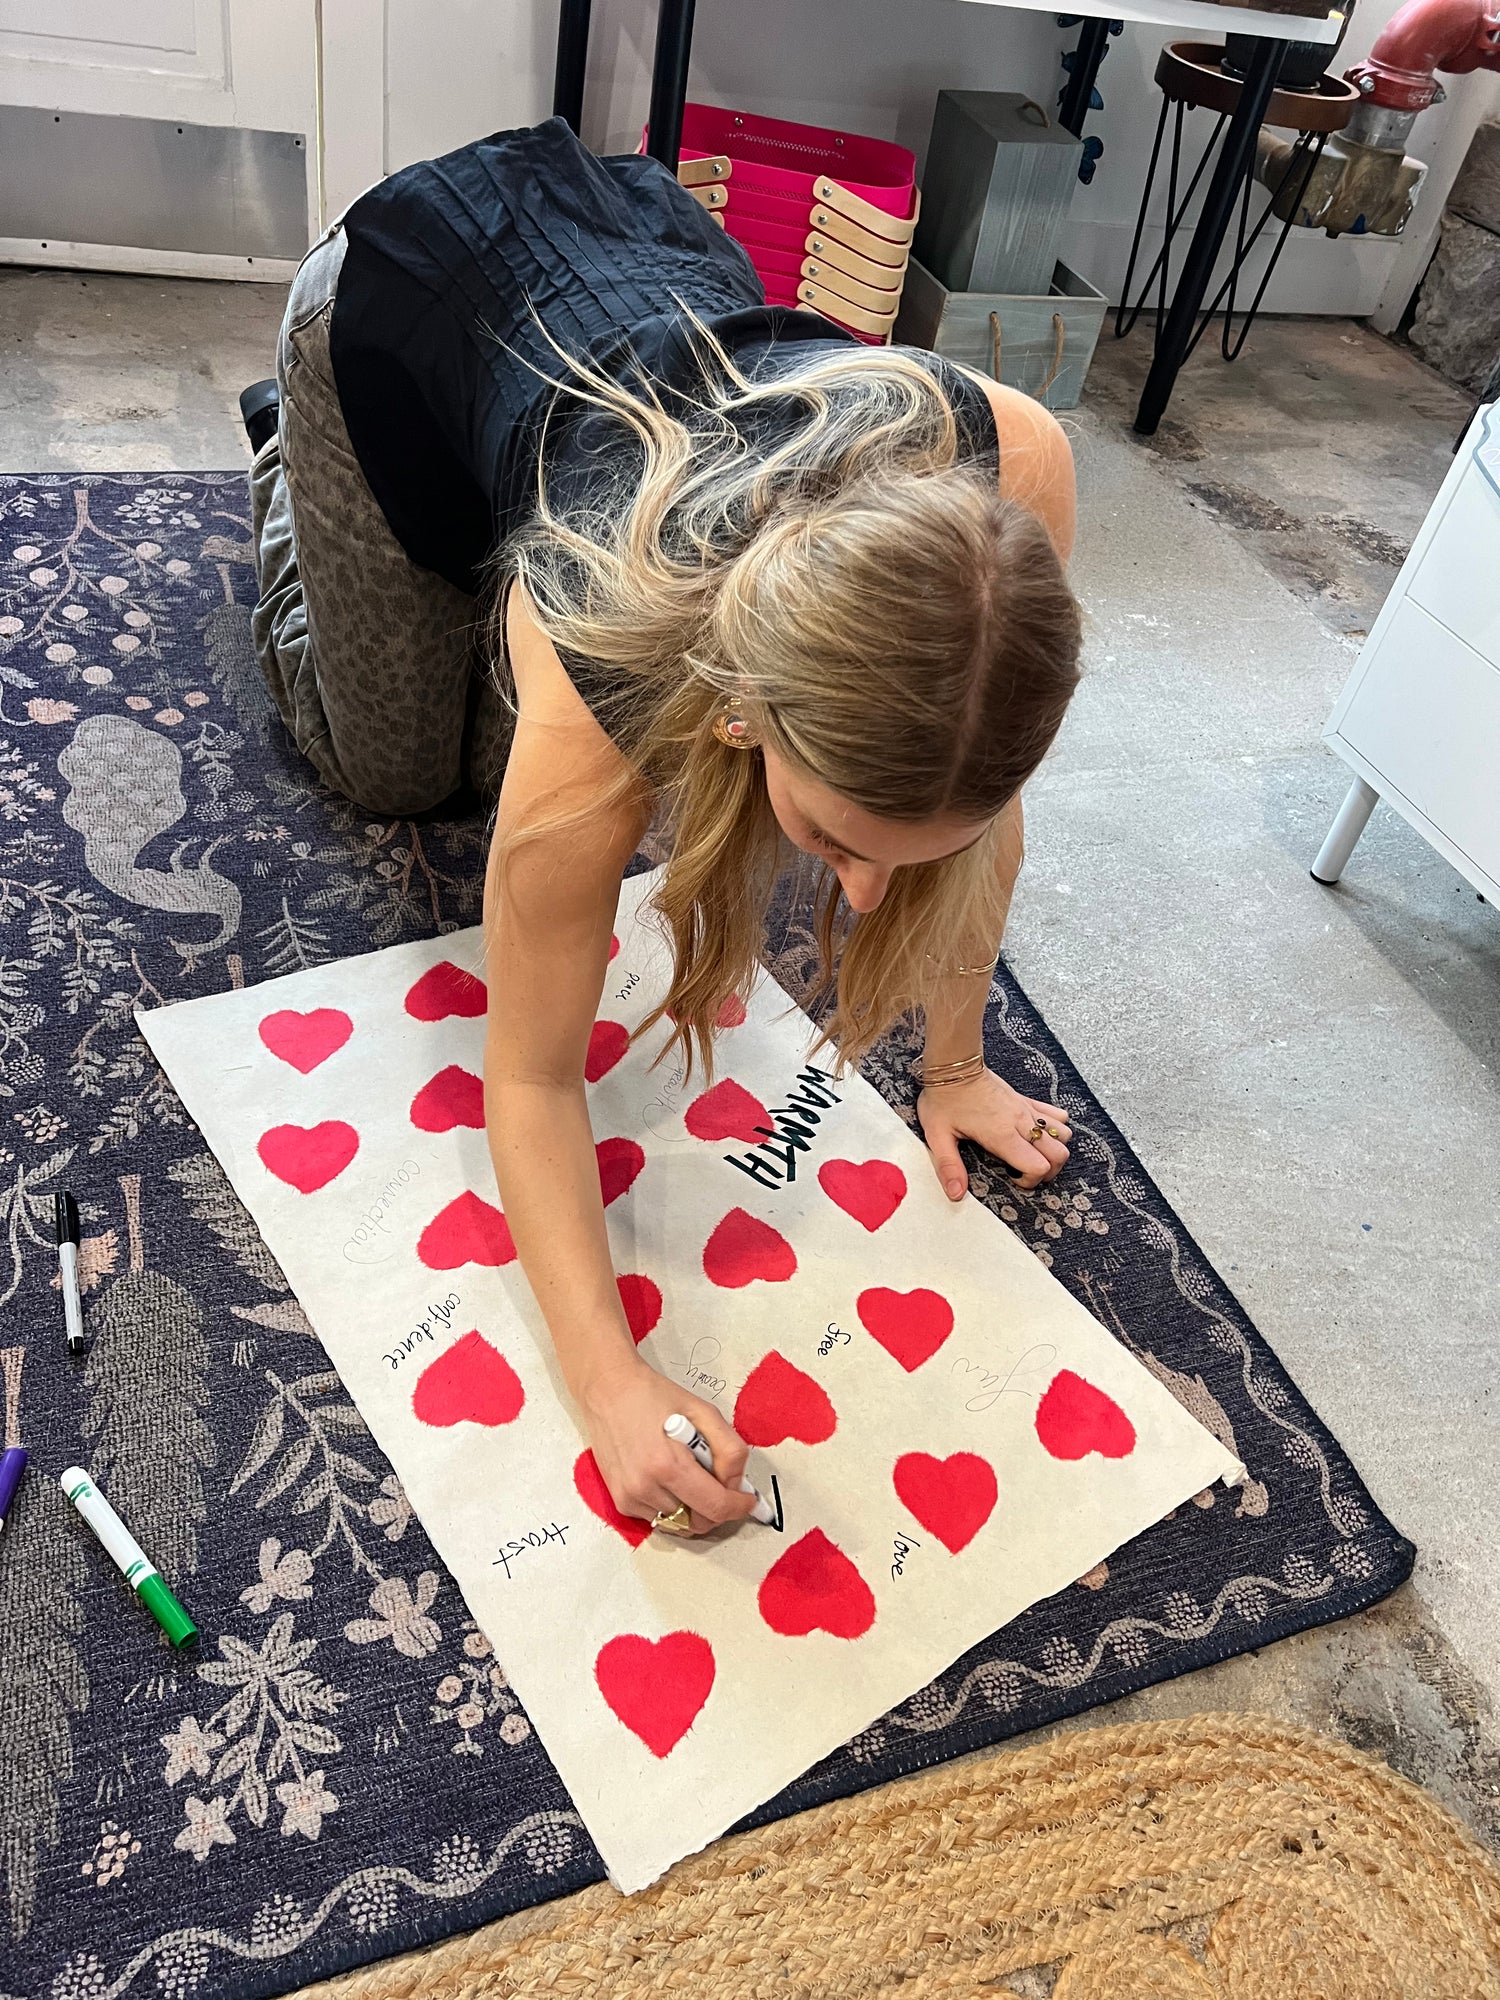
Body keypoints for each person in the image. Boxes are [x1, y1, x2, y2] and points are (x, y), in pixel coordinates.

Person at [245, 118, 1082, 1543]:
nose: (862, 899)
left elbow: (981, 804)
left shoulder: (1021, 467)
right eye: (835, 838)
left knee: (509, 750)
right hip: (401, 293)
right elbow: (528, 1076)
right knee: (402, 770)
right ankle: (285, 465)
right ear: (741, 712)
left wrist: (955, 1065)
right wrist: (607, 1382)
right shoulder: (601, 634)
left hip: (642, 267)